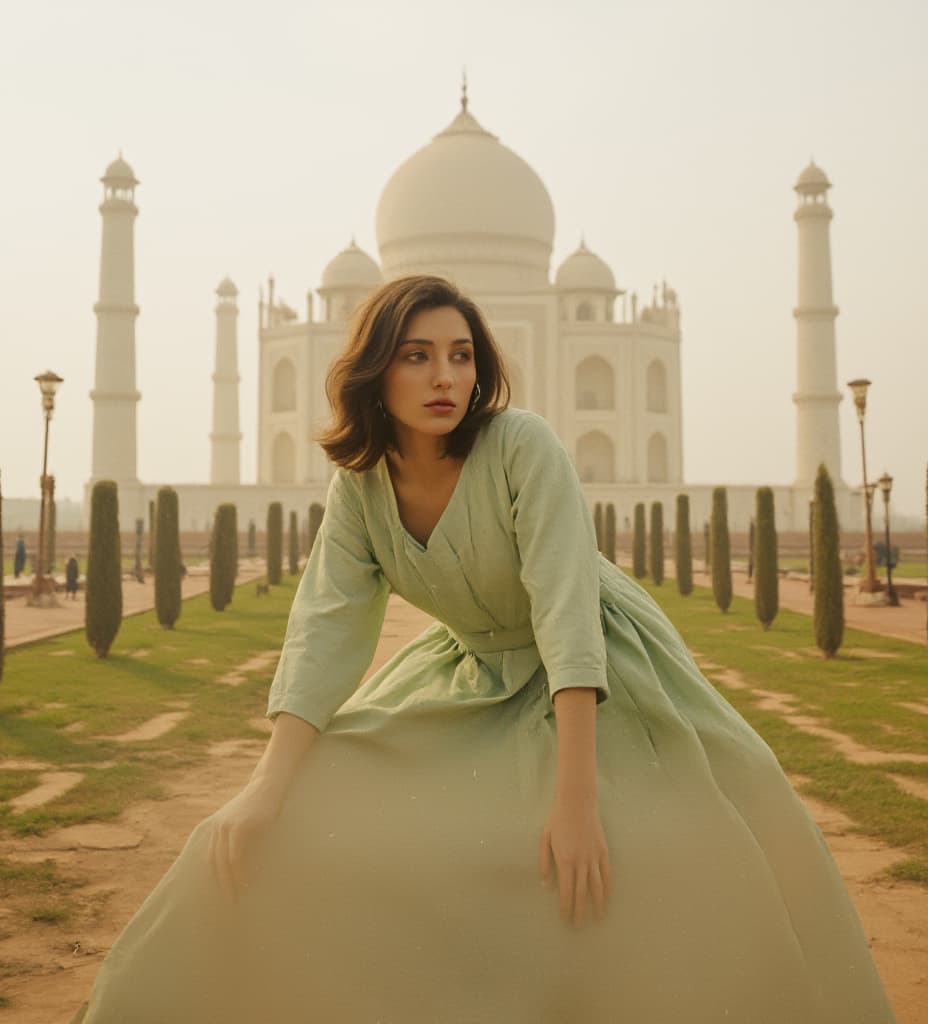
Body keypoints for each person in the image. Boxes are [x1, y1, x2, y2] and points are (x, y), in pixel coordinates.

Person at [71, 276, 895, 1023]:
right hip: (475, 670)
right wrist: (263, 785)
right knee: (293, 823)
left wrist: (576, 803)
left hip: (604, 665)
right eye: (418, 356)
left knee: (693, 833)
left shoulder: (521, 444)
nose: (445, 379)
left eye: (461, 357)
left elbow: (568, 616)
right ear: (374, 372)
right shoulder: (362, 482)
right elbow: (324, 629)